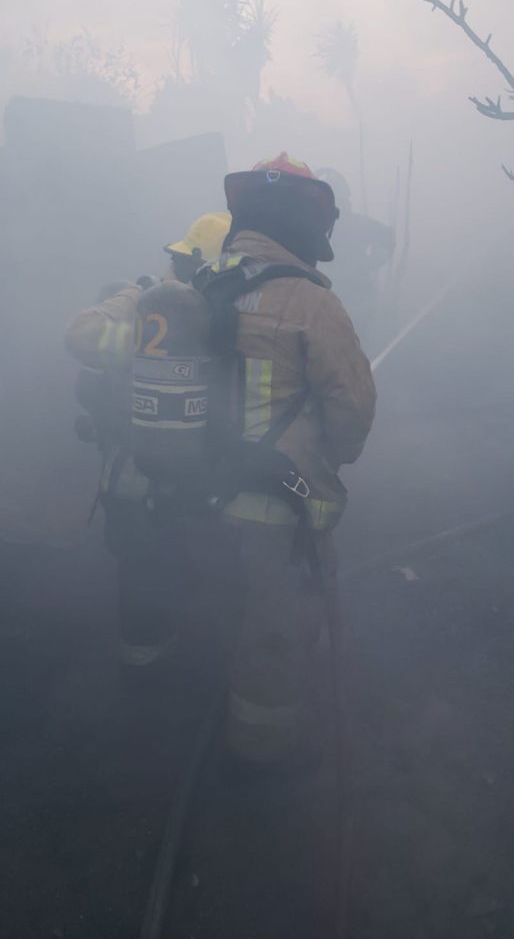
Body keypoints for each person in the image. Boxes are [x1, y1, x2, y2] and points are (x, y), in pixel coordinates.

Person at [209, 153, 376, 765]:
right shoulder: (311, 303)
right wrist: (330, 456)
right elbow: (352, 410)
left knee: (213, 605)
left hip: (193, 494)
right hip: (275, 514)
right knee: (270, 637)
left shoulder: (205, 285)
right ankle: (263, 756)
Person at [64, 212, 231, 667]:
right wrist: (146, 342)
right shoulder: (142, 300)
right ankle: (150, 662)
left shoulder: (223, 315)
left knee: (165, 563)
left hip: (184, 476)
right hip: (144, 471)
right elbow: (80, 334)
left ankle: (160, 651)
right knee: (143, 562)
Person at [316, 167, 395, 352]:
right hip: (332, 300)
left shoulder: (356, 224)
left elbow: (387, 238)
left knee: (346, 348)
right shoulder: (319, 226)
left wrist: (369, 263)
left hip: (353, 300)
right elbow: (387, 237)